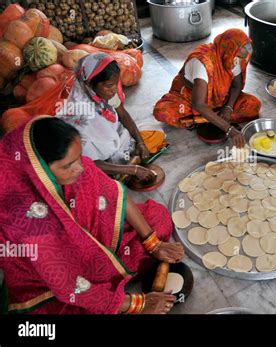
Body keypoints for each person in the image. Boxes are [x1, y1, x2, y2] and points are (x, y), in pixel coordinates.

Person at [0, 117, 184, 314]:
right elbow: (69, 285)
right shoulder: (25, 220)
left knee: (158, 218)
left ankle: (112, 278)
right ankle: (111, 291)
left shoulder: (76, 168)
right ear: (39, 171)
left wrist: (153, 243)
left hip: (97, 243)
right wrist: (136, 304)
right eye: (68, 165)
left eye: (79, 157)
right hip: (60, 282)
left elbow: (115, 195)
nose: (80, 167)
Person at [56, 52, 164, 182]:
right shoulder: (77, 113)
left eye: (115, 83)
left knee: (156, 134)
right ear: (90, 83)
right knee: (87, 178)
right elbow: (83, 161)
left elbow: (122, 115)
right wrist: (132, 170)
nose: (114, 90)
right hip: (95, 158)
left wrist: (140, 143)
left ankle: (121, 165)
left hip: (116, 140)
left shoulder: (104, 92)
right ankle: (117, 169)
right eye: (109, 85)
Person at [153, 29, 261, 148]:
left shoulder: (233, 58)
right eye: (238, 57)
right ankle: (208, 118)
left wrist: (229, 107)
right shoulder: (203, 61)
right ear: (229, 50)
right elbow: (198, 104)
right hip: (191, 98)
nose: (239, 62)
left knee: (253, 105)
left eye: (241, 58)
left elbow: (237, 85)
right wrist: (230, 130)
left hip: (220, 99)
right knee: (162, 111)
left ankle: (206, 118)